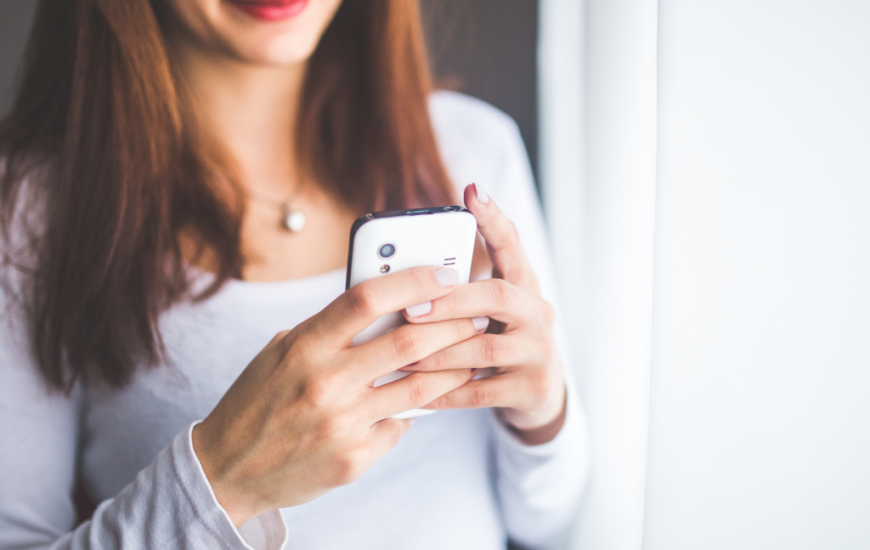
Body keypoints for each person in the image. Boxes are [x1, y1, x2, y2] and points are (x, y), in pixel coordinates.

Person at [0, 0, 588, 548]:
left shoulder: (472, 152)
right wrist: (224, 482)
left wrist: (541, 413)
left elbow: (548, 516)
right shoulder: (27, 209)